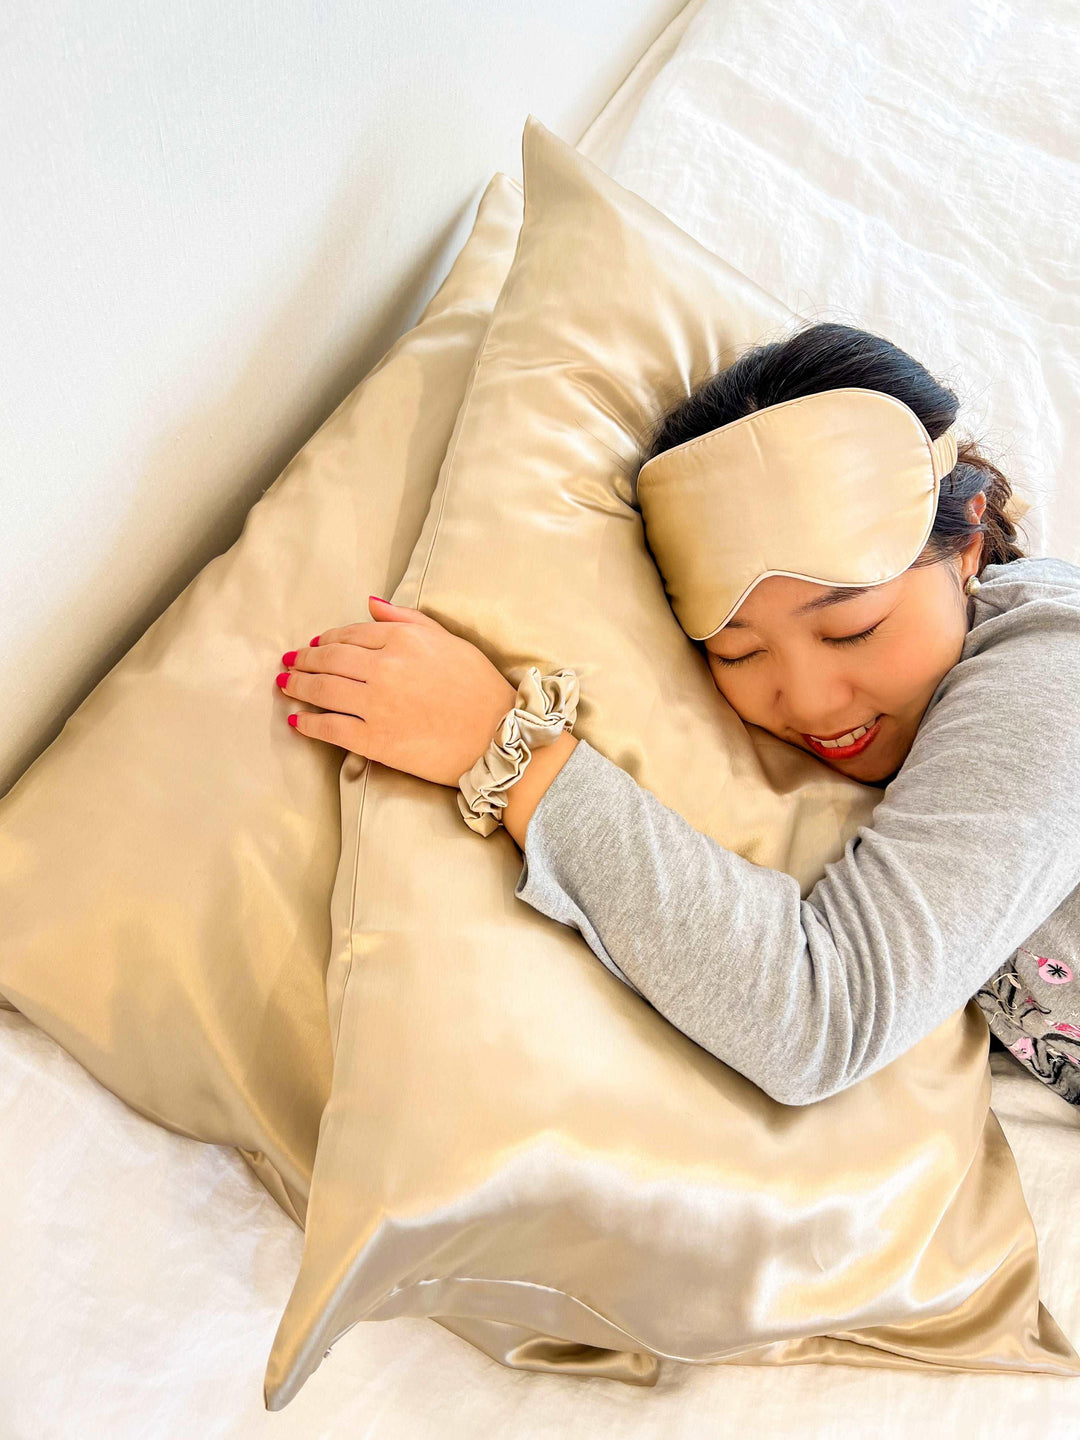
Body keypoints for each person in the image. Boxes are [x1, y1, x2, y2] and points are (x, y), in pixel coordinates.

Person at [496, 322, 1080, 1107]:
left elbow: (821, 1020)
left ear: (971, 538)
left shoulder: (1055, 671)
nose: (807, 701)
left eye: (854, 629)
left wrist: (509, 753)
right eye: (738, 653)